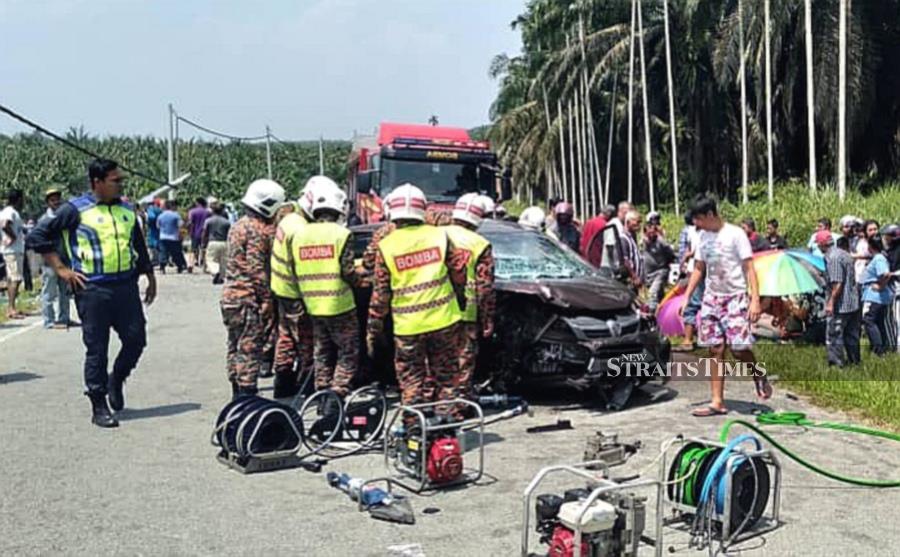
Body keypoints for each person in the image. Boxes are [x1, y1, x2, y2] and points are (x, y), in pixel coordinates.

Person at [26, 159, 156, 427]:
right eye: (115, 180)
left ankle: (116, 380)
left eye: (121, 180)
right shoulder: (75, 210)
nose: (121, 184)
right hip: (93, 288)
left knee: (136, 340)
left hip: (125, 286)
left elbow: (138, 245)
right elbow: (38, 236)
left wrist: (150, 276)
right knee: (97, 348)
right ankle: (98, 404)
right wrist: (61, 269)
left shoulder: (127, 210)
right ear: (97, 182)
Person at [366, 184, 466, 418]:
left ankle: (414, 433)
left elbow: (380, 294)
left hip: (407, 327)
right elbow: (459, 273)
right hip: (444, 321)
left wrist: (374, 328)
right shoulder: (440, 235)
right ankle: (445, 430)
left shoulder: (386, 245)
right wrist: (461, 300)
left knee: (412, 382)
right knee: (447, 380)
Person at [680, 195, 770, 416]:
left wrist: (755, 300)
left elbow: (749, 268)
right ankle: (717, 401)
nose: (696, 225)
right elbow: (699, 268)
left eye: (699, 220)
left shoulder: (735, 234)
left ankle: (758, 373)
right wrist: (687, 297)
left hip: (735, 297)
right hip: (712, 298)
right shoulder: (702, 237)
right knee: (715, 349)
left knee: (739, 349)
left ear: (710, 215)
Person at [294, 178, 361, 413]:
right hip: (339, 304)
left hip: (313, 305)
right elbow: (348, 271)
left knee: (321, 351)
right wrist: (364, 279)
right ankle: (337, 394)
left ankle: (322, 393)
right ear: (338, 209)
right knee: (348, 351)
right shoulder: (341, 235)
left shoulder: (300, 235)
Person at [221, 179, 285, 398]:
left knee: (234, 345)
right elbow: (256, 268)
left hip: (230, 296)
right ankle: (247, 395)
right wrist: (266, 298)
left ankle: (236, 390)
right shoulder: (259, 230)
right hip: (248, 297)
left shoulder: (237, 226)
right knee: (250, 347)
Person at [444, 193, 495, 401]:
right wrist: (487, 320)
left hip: (438, 312)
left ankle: (435, 408)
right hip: (467, 315)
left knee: (438, 365)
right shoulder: (480, 243)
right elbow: (485, 287)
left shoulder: (437, 235)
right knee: (462, 366)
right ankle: (459, 407)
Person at [269, 182, 318, 398]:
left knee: (285, 337)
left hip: (281, 289)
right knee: (305, 340)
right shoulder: (301, 229)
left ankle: (283, 380)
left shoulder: (288, 220)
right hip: (296, 293)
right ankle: (306, 384)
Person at [817, 230, 861, 367]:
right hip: (853, 302)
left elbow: (838, 282)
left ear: (821, 244)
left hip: (841, 304)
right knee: (852, 335)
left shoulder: (833, 257)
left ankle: (836, 363)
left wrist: (830, 303)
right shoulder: (844, 254)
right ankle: (855, 361)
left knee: (834, 334)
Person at [37, 187, 75, 328]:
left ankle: (64, 318)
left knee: (65, 292)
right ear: (48, 202)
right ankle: (49, 320)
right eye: (53, 200)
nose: (56, 202)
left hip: (64, 259)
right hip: (50, 262)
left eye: (58, 199)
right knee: (49, 292)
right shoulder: (44, 220)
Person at [860, 237, 893, 356]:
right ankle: (882, 347)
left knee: (869, 320)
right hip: (876, 296)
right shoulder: (879, 258)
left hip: (874, 296)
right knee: (878, 321)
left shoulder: (878, 258)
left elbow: (885, 274)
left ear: (870, 246)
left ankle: (878, 349)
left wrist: (881, 286)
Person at [675, 210, 703, 351]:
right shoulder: (695, 231)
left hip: (698, 271)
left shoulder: (697, 231)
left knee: (691, 305)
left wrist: (686, 259)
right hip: (699, 270)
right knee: (702, 304)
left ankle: (688, 340)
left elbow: (694, 252)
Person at [1, 189, 27, 319]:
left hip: (16, 250)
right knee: (14, 279)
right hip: (12, 250)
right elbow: (5, 225)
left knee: (15, 278)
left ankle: (13, 307)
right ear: (18, 199)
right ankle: (10, 309)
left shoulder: (13, 212)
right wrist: (13, 237)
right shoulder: (9, 212)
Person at [642, 222, 675, 312]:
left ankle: (651, 314)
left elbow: (671, 253)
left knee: (652, 294)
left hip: (660, 271)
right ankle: (664, 310)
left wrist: (666, 263)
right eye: (649, 233)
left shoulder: (660, 241)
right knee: (659, 295)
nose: (652, 235)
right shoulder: (643, 241)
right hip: (649, 273)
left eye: (653, 232)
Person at [202, 201, 231, 284]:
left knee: (211, 260)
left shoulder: (208, 221)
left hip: (213, 242)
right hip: (224, 242)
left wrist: (203, 242)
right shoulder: (226, 222)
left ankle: (215, 272)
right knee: (223, 261)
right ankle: (221, 277)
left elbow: (205, 232)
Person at [157, 199, 187, 273]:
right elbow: (181, 225)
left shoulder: (160, 215)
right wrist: (180, 235)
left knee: (163, 252)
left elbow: (158, 226)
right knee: (176, 253)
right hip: (173, 237)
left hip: (163, 237)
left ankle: (162, 267)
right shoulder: (176, 215)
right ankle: (179, 266)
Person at [620, 210, 644, 289]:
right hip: (630, 281)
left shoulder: (632, 237)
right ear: (628, 222)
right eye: (637, 222)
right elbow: (625, 261)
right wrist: (634, 277)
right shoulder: (624, 238)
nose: (638, 225)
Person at [187, 197, 210, 273]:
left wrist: (190, 231)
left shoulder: (192, 211)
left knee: (193, 250)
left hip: (195, 233)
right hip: (205, 234)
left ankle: (190, 264)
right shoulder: (208, 212)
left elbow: (190, 223)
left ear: (198, 203)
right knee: (204, 249)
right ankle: (205, 265)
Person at [145, 199, 162, 266]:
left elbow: (152, 217)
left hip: (152, 229)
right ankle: (159, 259)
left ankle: (155, 260)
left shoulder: (150, 209)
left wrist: (148, 222)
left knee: (152, 244)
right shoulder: (159, 209)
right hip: (159, 229)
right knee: (158, 244)